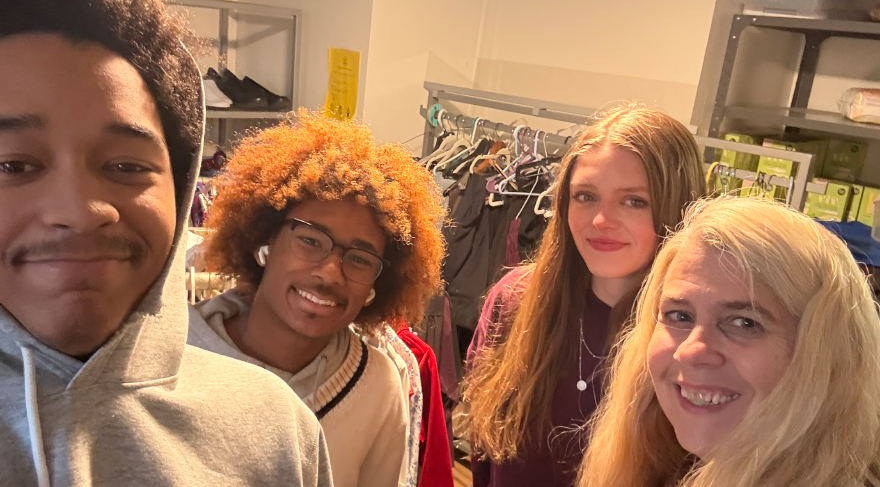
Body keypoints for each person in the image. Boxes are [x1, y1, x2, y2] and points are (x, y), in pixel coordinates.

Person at [0, 0, 333, 485]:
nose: (80, 212)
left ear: (179, 190)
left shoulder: (276, 430)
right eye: (13, 165)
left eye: (126, 166)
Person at [187, 111, 446, 487]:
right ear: (265, 239)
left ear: (378, 282)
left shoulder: (377, 386)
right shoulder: (175, 353)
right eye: (310, 240)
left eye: (360, 258)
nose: (330, 273)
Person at [464, 104, 706, 487]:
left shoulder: (695, 337)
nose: (600, 221)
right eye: (585, 196)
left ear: (679, 208)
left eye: (634, 201)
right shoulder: (514, 301)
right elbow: (484, 450)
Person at [578, 197, 880, 487]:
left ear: (826, 353)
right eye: (679, 316)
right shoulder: (651, 463)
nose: (691, 352)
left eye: (745, 323)